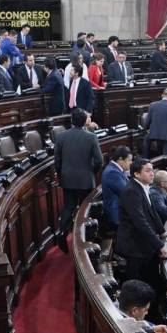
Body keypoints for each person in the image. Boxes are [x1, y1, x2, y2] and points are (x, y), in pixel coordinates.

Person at [54, 108, 103, 252]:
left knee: (69, 206)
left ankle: (62, 232)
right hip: (85, 179)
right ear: (85, 122)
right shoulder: (91, 137)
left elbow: (57, 161)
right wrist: (91, 172)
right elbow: (99, 160)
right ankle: (83, 240)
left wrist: (61, 174)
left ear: (71, 121)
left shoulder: (61, 136)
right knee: (85, 209)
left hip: (68, 178)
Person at [115, 158, 167, 286]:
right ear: (137, 174)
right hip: (134, 248)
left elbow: (152, 211)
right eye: (148, 171)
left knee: (153, 279)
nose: (152, 174)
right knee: (141, 284)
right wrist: (160, 245)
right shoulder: (131, 191)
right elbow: (140, 222)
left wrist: (162, 231)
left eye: (152, 171)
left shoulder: (143, 186)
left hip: (143, 243)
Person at [143, 88, 167, 158]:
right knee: (166, 159)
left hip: (154, 135)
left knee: (158, 158)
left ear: (162, 95)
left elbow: (147, 121)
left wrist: (147, 131)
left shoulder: (152, 105)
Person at [101, 146, 132, 231]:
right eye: (129, 160)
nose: (131, 163)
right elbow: (127, 192)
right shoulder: (112, 172)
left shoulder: (115, 169)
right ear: (120, 159)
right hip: (117, 216)